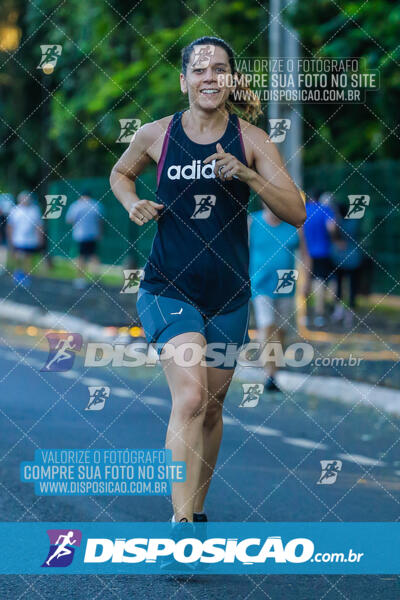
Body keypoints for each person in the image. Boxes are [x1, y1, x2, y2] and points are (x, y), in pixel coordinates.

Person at [110, 36, 306, 526]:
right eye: (199, 70)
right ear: (184, 81)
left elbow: (296, 211)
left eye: (220, 69)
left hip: (229, 294)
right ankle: (180, 528)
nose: (209, 77)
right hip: (167, 287)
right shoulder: (156, 135)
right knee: (191, 398)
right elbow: (120, 173)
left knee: (213, 409)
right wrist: (131, 201)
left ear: (231, 79)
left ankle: (195, 511)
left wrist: (247, 174)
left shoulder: (252, 140)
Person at [249, 205, 309, 391]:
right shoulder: (252, 222)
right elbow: (241, 250)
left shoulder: (294, 224)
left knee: (281, 330)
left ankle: (273, 368)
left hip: (286, 285)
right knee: (267, 326)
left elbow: (306, 254)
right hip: (260, 284)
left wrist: (306, 280)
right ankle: (270, 374)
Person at [303, 189, 337, 327]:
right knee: (320, 283)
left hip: (304, 252)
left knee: (303, 282)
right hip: (322, 252)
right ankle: (319, 315)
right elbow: (331, 228)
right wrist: (334, 239)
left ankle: (303, 315)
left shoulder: (303, 209)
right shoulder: (325, 209)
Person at [330, 201, 362, 328]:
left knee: (339, 285)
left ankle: (339, 312)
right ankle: (350, 315)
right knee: (352, 287)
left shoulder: (337, 223)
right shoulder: (355, 222)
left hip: (339, 259)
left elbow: (332, 234)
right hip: (354, 259)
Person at [65, 190, 104, 288]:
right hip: (93, 234)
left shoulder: (76, 205)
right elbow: (100, 221)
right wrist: (100, 233)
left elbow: (69, 220)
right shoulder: (96, 205)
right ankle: (97, 277)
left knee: (81, 257)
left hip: (80, 235)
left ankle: (80, 278)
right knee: (93, 255)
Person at [7, 190, 44, 286]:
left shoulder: (35, 210)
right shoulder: (15, 210)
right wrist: (10, 239)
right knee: (18, 256)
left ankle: (27, 276)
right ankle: (18, 273)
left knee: (28, 258)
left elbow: (39, 225)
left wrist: (40, 237)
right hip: (18, 239)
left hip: (31, 240)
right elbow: (10, 226)